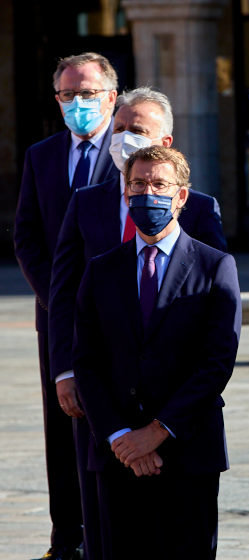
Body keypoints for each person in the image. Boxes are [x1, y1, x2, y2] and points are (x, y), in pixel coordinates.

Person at [46, 86, 227, 559]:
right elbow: (86, 350)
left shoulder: (211, 253)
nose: (147, 193)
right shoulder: (101, 262)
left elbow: (216, 356)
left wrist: (159, 430)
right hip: (115, 443)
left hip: (187, 440)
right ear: (126, 190)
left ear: (181, 194)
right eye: (138, 186)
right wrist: (121, 437)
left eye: (159, 186)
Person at [14, 51, 120, 560]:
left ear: (112, 97)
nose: (78, 103)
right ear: (57, 100)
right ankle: (66, 539)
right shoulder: (42, 155)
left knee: (111, 418)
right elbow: (28, 237)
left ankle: (108, 533)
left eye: (89, 94)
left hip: (117, 313)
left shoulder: (130, 155)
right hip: (55, 318)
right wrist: (58, 299)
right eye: (68, 95)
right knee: (62, 426)